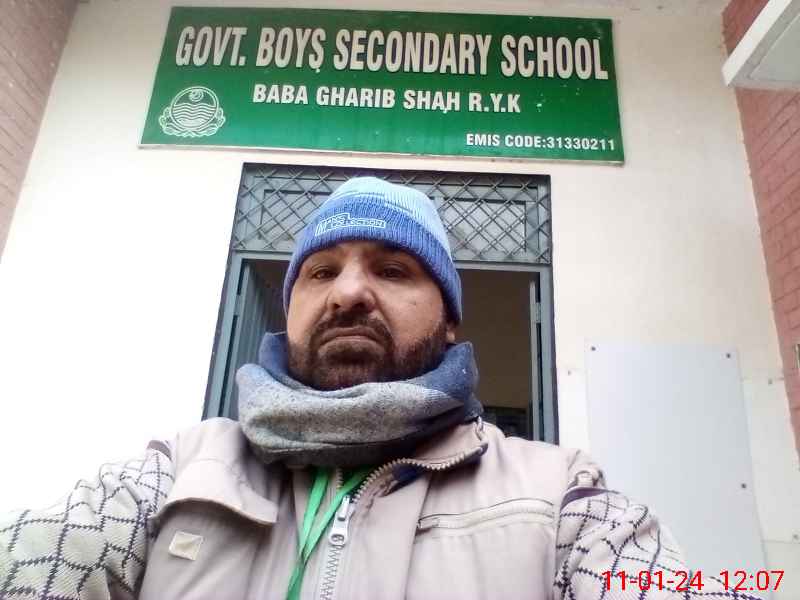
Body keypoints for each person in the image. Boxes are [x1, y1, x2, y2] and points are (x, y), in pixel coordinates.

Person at [0, 177, 762, 600]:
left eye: (393, 270)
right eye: (320, 272)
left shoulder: (560, 499)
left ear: (450, 322)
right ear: (291, 307)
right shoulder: (174, 473)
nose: (348, 293)